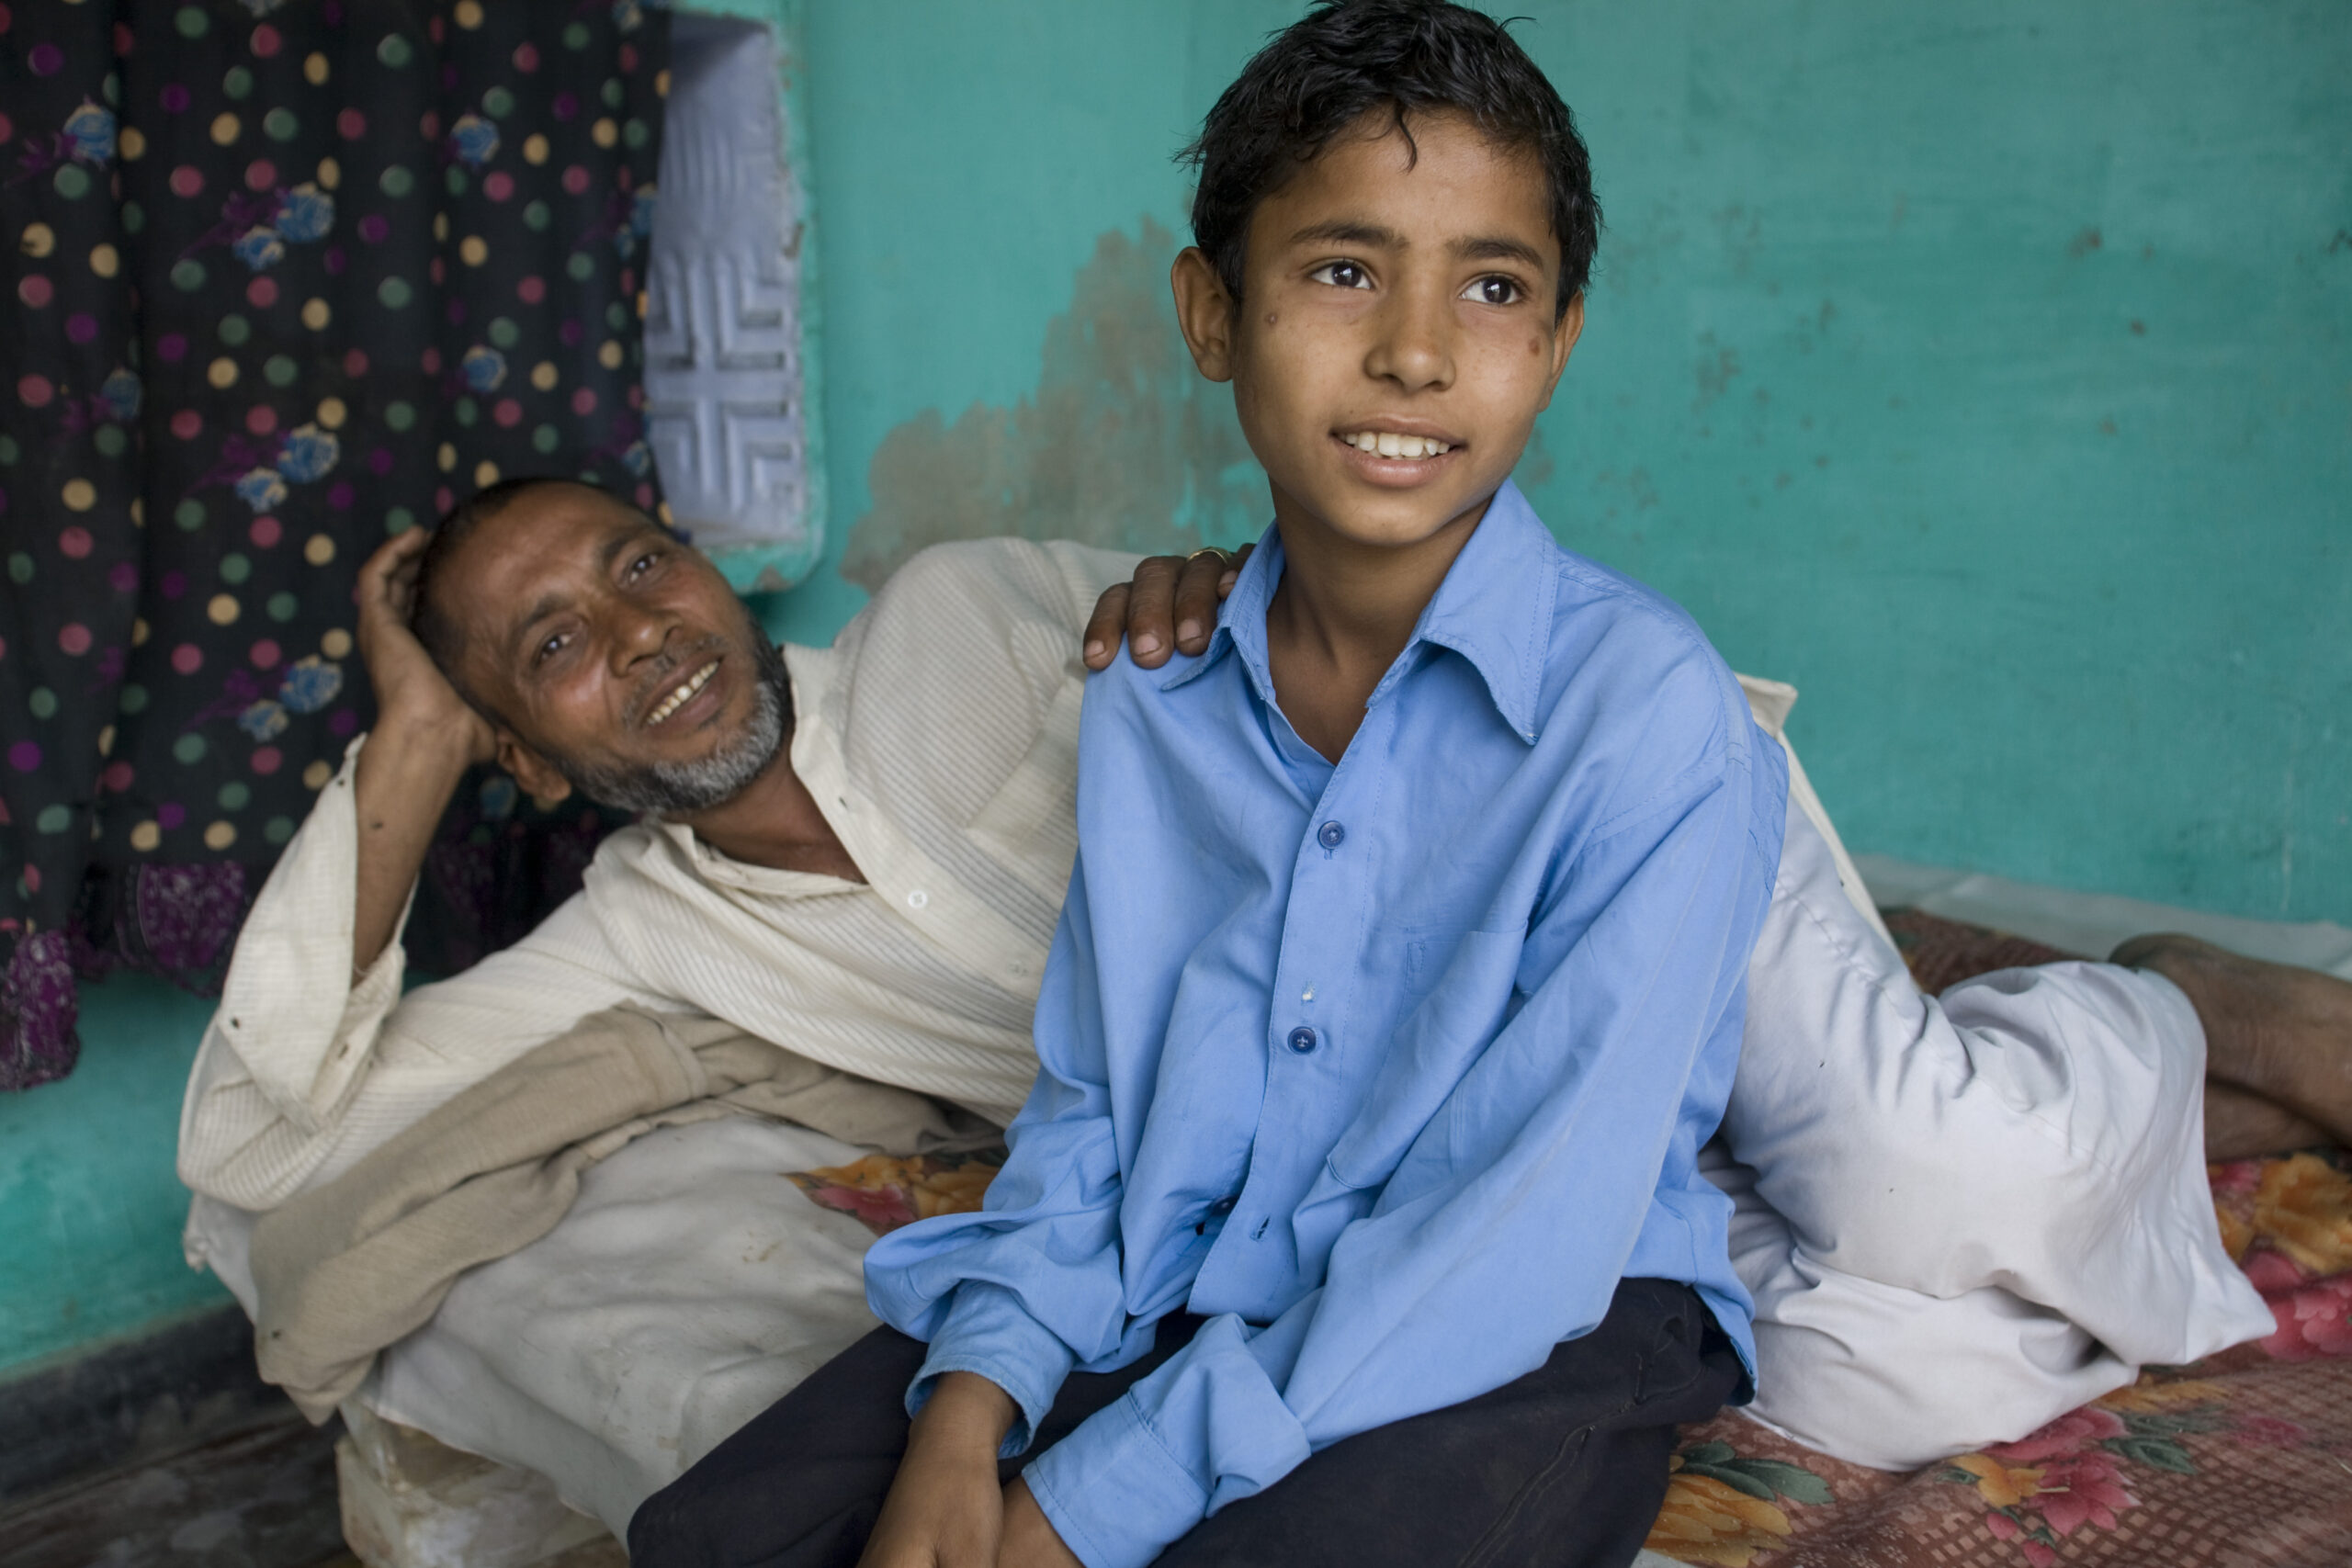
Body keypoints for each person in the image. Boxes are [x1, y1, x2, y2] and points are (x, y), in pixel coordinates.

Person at [619, 5, 2336, 1566]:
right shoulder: (1155, 689)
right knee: (719, 1541)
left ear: (1563, 336)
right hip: (1217, 1257)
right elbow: (1103, 1109)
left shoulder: (1649, 708)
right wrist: (973, 1401)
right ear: (1211, 312)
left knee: (1930, 1173)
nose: (1421, 353)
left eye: (1494, 288)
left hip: (1540, 1300)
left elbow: (1516, 1233)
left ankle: (2166, 1020)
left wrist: (1077, 1510)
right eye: (1344, 272)